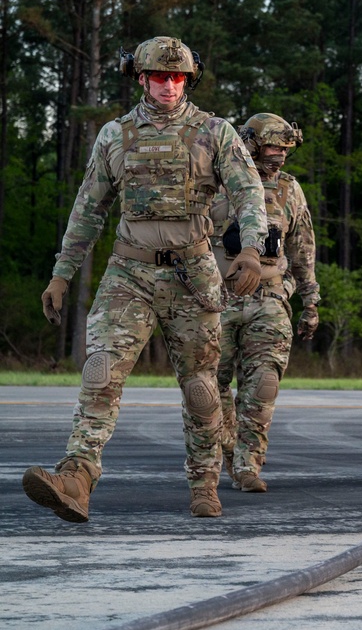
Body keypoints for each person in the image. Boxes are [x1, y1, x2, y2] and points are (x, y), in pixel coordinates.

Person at [23, 36, 267, 522]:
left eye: (178, 77)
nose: (169, 86)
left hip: (193, 272)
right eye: (159, 76)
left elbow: (249, 192)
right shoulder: (115, 135)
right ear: (141, 78)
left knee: (201, 387)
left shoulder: (215, 132)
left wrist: (252, 251)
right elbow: (88, 207)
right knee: (101, 371)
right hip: (128, 271)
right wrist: (61, 273)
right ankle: (77, 475)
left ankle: (204, 481)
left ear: (189, 79)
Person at [209, 113, 320, 493]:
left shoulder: (290, 190)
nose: (280, 157)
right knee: (210, 384)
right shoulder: (216, 182)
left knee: (264, 383)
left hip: (270, 296)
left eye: (286, 150)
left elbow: (303, 248)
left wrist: (311, 301)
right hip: (217, 297)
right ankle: (226, 447)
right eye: (274, 147)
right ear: (253, 144)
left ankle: (247, 464)